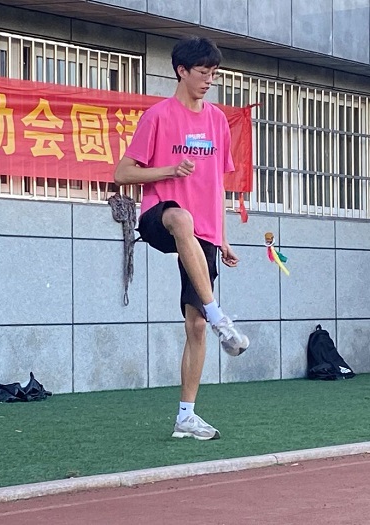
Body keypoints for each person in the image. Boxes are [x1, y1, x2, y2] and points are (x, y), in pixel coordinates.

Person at [114, 36, 249, 441]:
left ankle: (186, 418)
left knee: (196, 326)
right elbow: (123, 173)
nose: (209, 80)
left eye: (213, 74)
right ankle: (221, 316)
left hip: (202, 230)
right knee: (181, 217)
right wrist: (169, 171)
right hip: (161, 216)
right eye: (203, 72)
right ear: (181, 71)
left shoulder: (217, 121)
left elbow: (217, 186)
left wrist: (222, 237)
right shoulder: (157, 117)